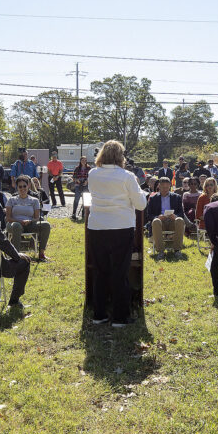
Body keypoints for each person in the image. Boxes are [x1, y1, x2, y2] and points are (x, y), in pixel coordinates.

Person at [85, 139, 147, 327]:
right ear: (121, 156)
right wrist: (140, 191)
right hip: (121, 228)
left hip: (97, 228)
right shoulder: (127, 176)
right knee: (120, 273)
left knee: (100, 272)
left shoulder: (93, 174)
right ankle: (120, 317)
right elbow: (141, 205)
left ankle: (99, 314)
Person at [7, 177, 51, 261]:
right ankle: (16, 255)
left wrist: (30, 221)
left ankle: (41, 254)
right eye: (20, 187)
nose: (22, 188)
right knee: (16, 226)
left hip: (30, 224)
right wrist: (20, 221)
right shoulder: (11, 200)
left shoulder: (34, 200)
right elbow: (8, 218)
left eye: (24, 186)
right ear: (17, 187)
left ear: (28, 186)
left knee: (46, 225)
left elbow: (37, 217)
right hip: (14, 224)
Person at [144, 177, 188, 258]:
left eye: (167, 187)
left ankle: (177, 250)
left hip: (172, 221)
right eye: (163, 187)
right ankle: (161, 251)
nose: (165, 189)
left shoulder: (177, 197)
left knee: (180, 220)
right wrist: (158, 217)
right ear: (159, 187)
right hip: (160, 223)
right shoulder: (153, 198)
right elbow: (148, 215)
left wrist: (175, 216)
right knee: (155, 221)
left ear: (170, 186)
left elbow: (181, 213)